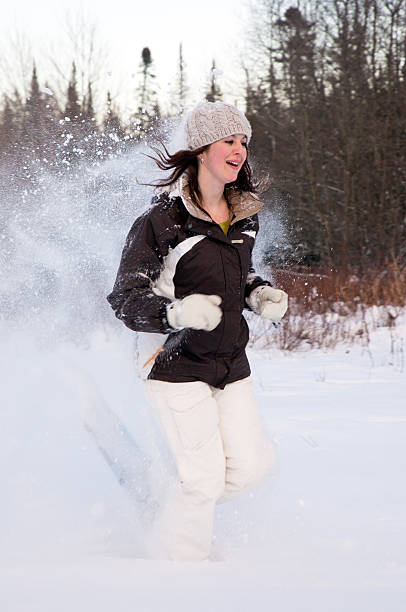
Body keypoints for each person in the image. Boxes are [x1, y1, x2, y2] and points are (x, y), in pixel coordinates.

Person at [107, 101, 288, 562]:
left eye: (244, 141)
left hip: (229, 361)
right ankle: (180, 574)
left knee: (251, 468)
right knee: (203, 479)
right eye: (229, 140)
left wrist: (258, 292)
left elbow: (235, 275)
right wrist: (175, 315)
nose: (239, 150)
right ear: (202, 149)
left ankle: (170, 500)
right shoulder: (160, 222)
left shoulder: (244, 216)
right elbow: (124, 299)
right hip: (172, 363)